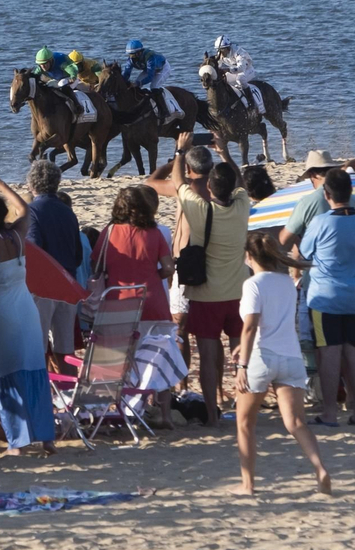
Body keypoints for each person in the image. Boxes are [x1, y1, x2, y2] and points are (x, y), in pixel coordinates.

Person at [146, 135, 251, 427]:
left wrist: (179, 150)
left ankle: (213, 418)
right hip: (239, 291)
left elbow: (177, 181)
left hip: (207, 293)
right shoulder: (242, 204)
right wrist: (226, 151)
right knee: (241, 355)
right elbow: (240, 180)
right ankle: (243, 410)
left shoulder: (199, 207)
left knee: (206, 356)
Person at [233, 232, 331, 496]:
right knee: (296, 422)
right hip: (290, 357)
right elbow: (276, 321)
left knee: (244, 423)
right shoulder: (287, 282)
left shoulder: (253, 284)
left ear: (249, 256)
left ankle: (248, 485)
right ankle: (320, 469)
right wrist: (245, 346)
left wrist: (242, 365)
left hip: (262, 358)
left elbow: (251, 326)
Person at [0, 174, 56, 455]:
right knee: (35, 370)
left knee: (6, 376)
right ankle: (47, 438)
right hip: (26, 310)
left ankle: (18, 442)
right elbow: (24, 208)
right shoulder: (18, 237)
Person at [301, 168, 355, 428]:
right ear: (350, 192)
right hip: (354, 295)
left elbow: (304, 251)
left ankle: (330, 412)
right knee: (354, 351)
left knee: (329, 351)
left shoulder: (321, 222)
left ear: (326, 193)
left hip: (325, 296)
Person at [277, 145, 355, 254]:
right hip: (354, 269)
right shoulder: (351, 198)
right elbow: (346, 168)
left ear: (312, 175)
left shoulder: (307, 202)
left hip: (318, 270)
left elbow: (284, 240)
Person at [26, 159, 80, 370]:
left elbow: (34, 250)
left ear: (32, 184)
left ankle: (44, 395)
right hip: (68, 283)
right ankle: (68, 394)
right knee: (65, 349)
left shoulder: (33, 211)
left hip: (44, 286)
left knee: (37, 348)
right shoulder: (68, 211)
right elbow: (77, 254)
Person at [94, 187, 175, 322]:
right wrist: (154, 276)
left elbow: (96, 265)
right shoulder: (154, 233)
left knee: (121, 341)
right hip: (151, 297)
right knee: (157, 342)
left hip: (117, 298)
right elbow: (169, 268)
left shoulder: (108, 232)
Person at [123, 39, 173, 122]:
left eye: (133, 55)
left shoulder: (150, 57)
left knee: (154, 86)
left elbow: (150, 76)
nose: (132, 58)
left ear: (140, 52)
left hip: (162, 69)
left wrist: (138, 83)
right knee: (136, 86)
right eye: (130, 55)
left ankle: (164, 111)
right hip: (148, 69)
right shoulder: (130, 60)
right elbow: (126, 74)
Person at [33, 47, 85, 115]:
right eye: (41, 64)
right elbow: (33, 75)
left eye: (45, 63)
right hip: (57, 79)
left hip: (70, 77)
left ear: (51, 61)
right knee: (48, 86)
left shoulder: (61, 62)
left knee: (62, 84)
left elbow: (73, 69)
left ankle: (77, 106)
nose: (43, 66)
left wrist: (73, 77)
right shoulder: (40, 68)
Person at [212, 36, 257, 111]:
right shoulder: (221, 53)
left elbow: (241, 68)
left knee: (240, 78)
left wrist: (227, 69)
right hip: (235, 71)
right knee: (223, 79)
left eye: (222, 50)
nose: (220, 54)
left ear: (227, 48)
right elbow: (218, 66)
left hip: (247, 70)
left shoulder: (238, 52)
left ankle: (251, 102)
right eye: (218, 50)